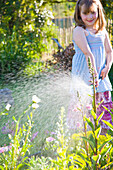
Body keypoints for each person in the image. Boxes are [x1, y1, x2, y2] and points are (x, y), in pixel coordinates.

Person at [69, 0, 113, 133]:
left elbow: (110, 51)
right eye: (85, 13)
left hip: (101, 79)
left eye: (93, 12)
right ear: (79, 14)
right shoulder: (79, 31)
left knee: (104, 116)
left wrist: (107, 67)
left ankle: (101, 148)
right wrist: (93, 74)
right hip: (85, 78)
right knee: (83, 118)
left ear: (98, 12)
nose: (90, 17)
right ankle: (84, 147)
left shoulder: (102, 32)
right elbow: (88, 53)